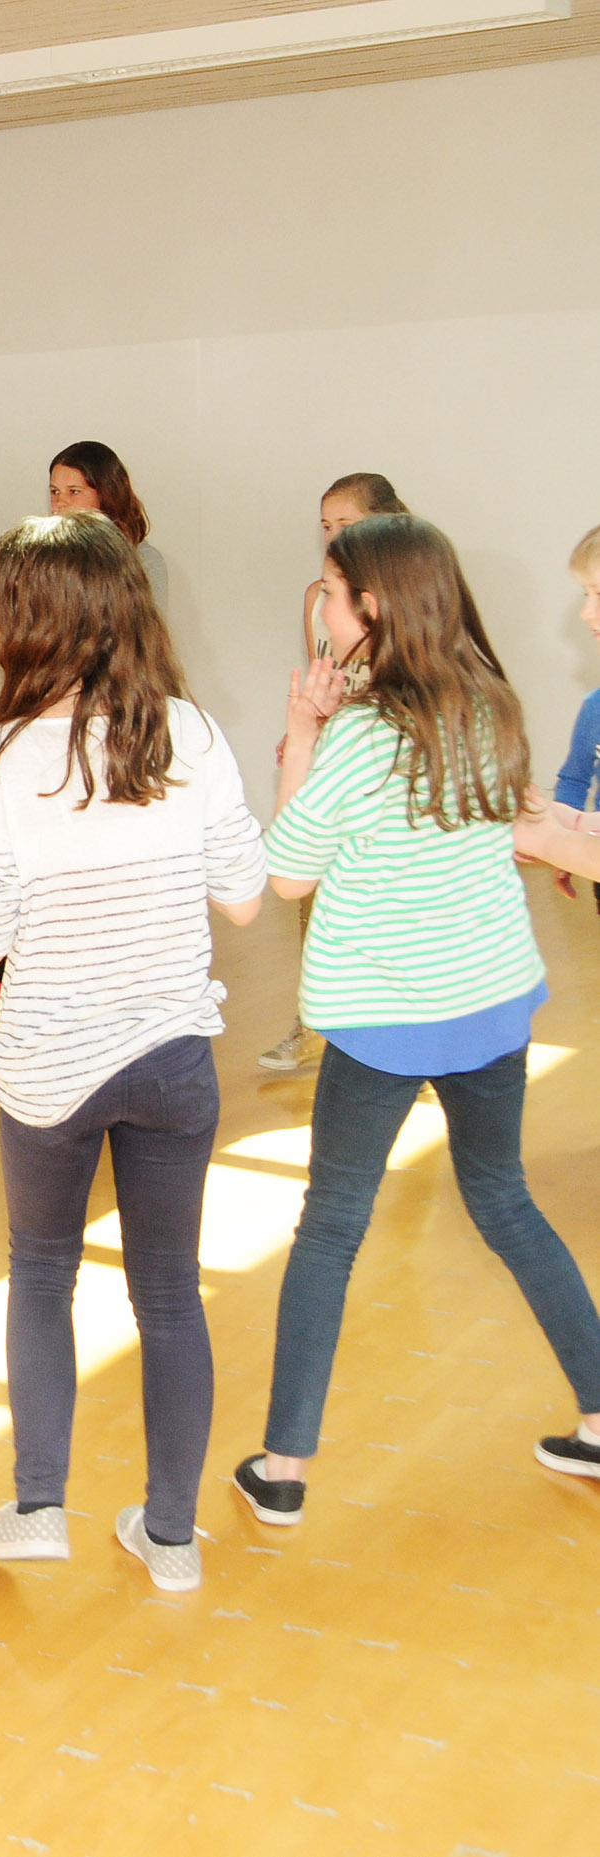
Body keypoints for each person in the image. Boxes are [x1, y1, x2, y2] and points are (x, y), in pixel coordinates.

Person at [234, 512, 600, 1528]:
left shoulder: (359, 737)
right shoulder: (489, 703)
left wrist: (303, 734)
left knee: (330, 1228)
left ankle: (283, 1468)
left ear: (371, 605)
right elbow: (525, 828)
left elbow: (287, 873)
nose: (320, 605)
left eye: (330, 590)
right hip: (491, 1007)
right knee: (506, 1203)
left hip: (385, 1021)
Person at [0, 514, 267, 1594]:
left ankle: (40, 1505)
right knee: (169, 1294)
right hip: (172, 1057)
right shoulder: (192, 733)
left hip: (51, 1065)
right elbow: (245, 897)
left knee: (42, 1273)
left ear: (25, 621)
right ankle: (170, 1537)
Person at [0, 441, 168, 1028]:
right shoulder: (43, 561)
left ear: (106, 494)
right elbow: (14, 647)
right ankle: (1, 976)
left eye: (75, 490)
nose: (62, 502)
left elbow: (138, 648)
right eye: (54, 491)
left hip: (108, 732)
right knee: (23, 856)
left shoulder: (142, 562)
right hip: (42, 728)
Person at [256, 474, 413, 1072]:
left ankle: (405, 1023)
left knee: (386, 897)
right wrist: (305, 726)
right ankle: (313, 1021)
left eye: (345, 524)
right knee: (312, 887)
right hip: (336, 755)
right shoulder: (317, 598)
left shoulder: (406, 598)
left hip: (389, 764)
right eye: (325, 525)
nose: (333, 536)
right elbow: (325, 672)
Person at [551, 524, 600, 918]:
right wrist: (562, 842)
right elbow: (573, 779)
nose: (586, 612)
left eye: (599, 594)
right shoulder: (595, 706)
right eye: (586, 594)